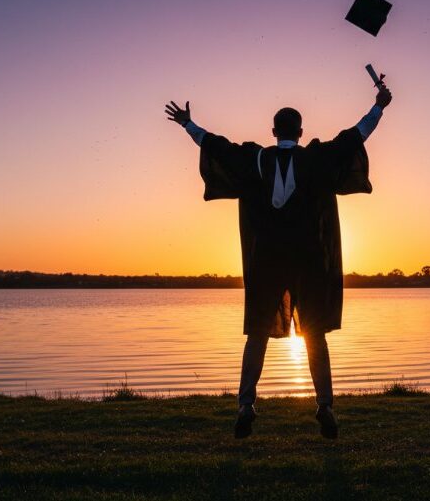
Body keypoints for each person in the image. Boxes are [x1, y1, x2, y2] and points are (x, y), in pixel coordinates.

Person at [164, 80, 392, 439]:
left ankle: (245, 404)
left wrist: (187, 124)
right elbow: (354, 137)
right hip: (310, 263)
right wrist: (379, 105)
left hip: (266, 263)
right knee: (315, 335)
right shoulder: (317, 158)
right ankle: (325, 407)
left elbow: (216, 146)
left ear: (273, 132)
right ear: (301, 132)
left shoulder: (254, 159)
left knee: (257, 333)